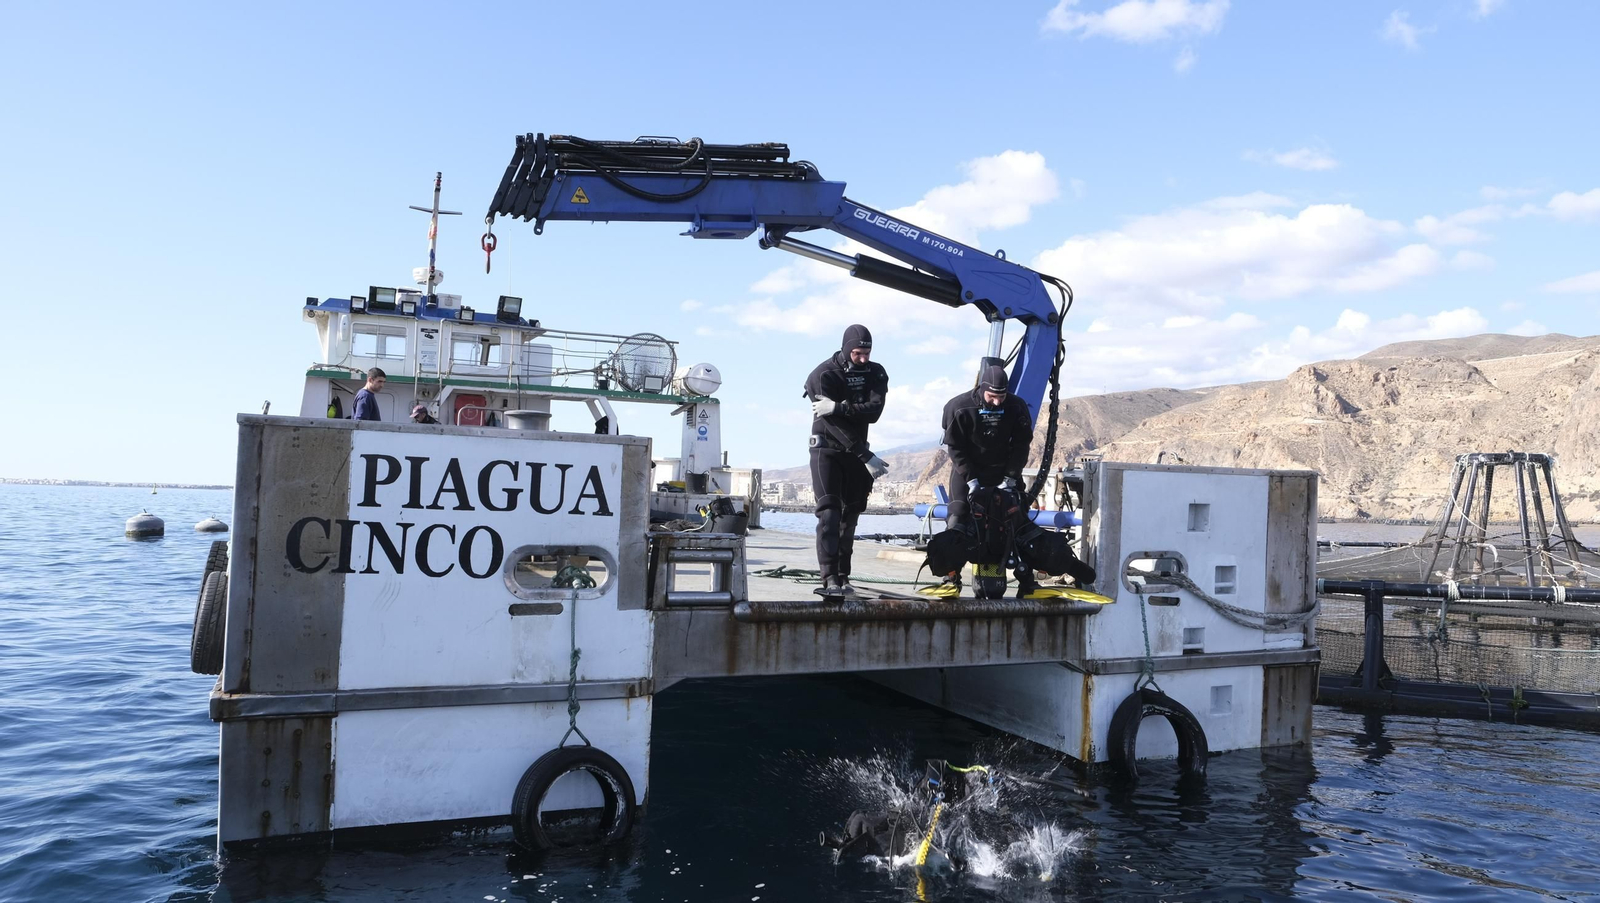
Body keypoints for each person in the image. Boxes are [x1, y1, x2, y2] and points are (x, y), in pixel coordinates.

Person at [803, 324, 890, 597]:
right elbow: (830, 422)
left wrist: (841, 407)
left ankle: (843, 576)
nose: (863, 359)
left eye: (867, 353)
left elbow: (874, 412)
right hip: (827, 450)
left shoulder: (875, 372)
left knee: (850, 515)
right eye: (857, 353)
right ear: (845, 349)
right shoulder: (823, 374)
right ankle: (829, 577)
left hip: (857, 452)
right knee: (829, 514)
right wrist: (864, 453)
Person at [939, 363, 1034, 589]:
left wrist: (1011, 477)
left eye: (1001, 396)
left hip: (1003, 469)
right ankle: (950, 577)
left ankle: (1028, 581)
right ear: (982, 389)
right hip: (968, 470)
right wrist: (971, 480)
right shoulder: (958, 407)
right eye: (992, 396)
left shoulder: (1016, 406)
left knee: (1019, 516)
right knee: (958, 515)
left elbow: (1022, 445)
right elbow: (954, 448)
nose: (997, 402)